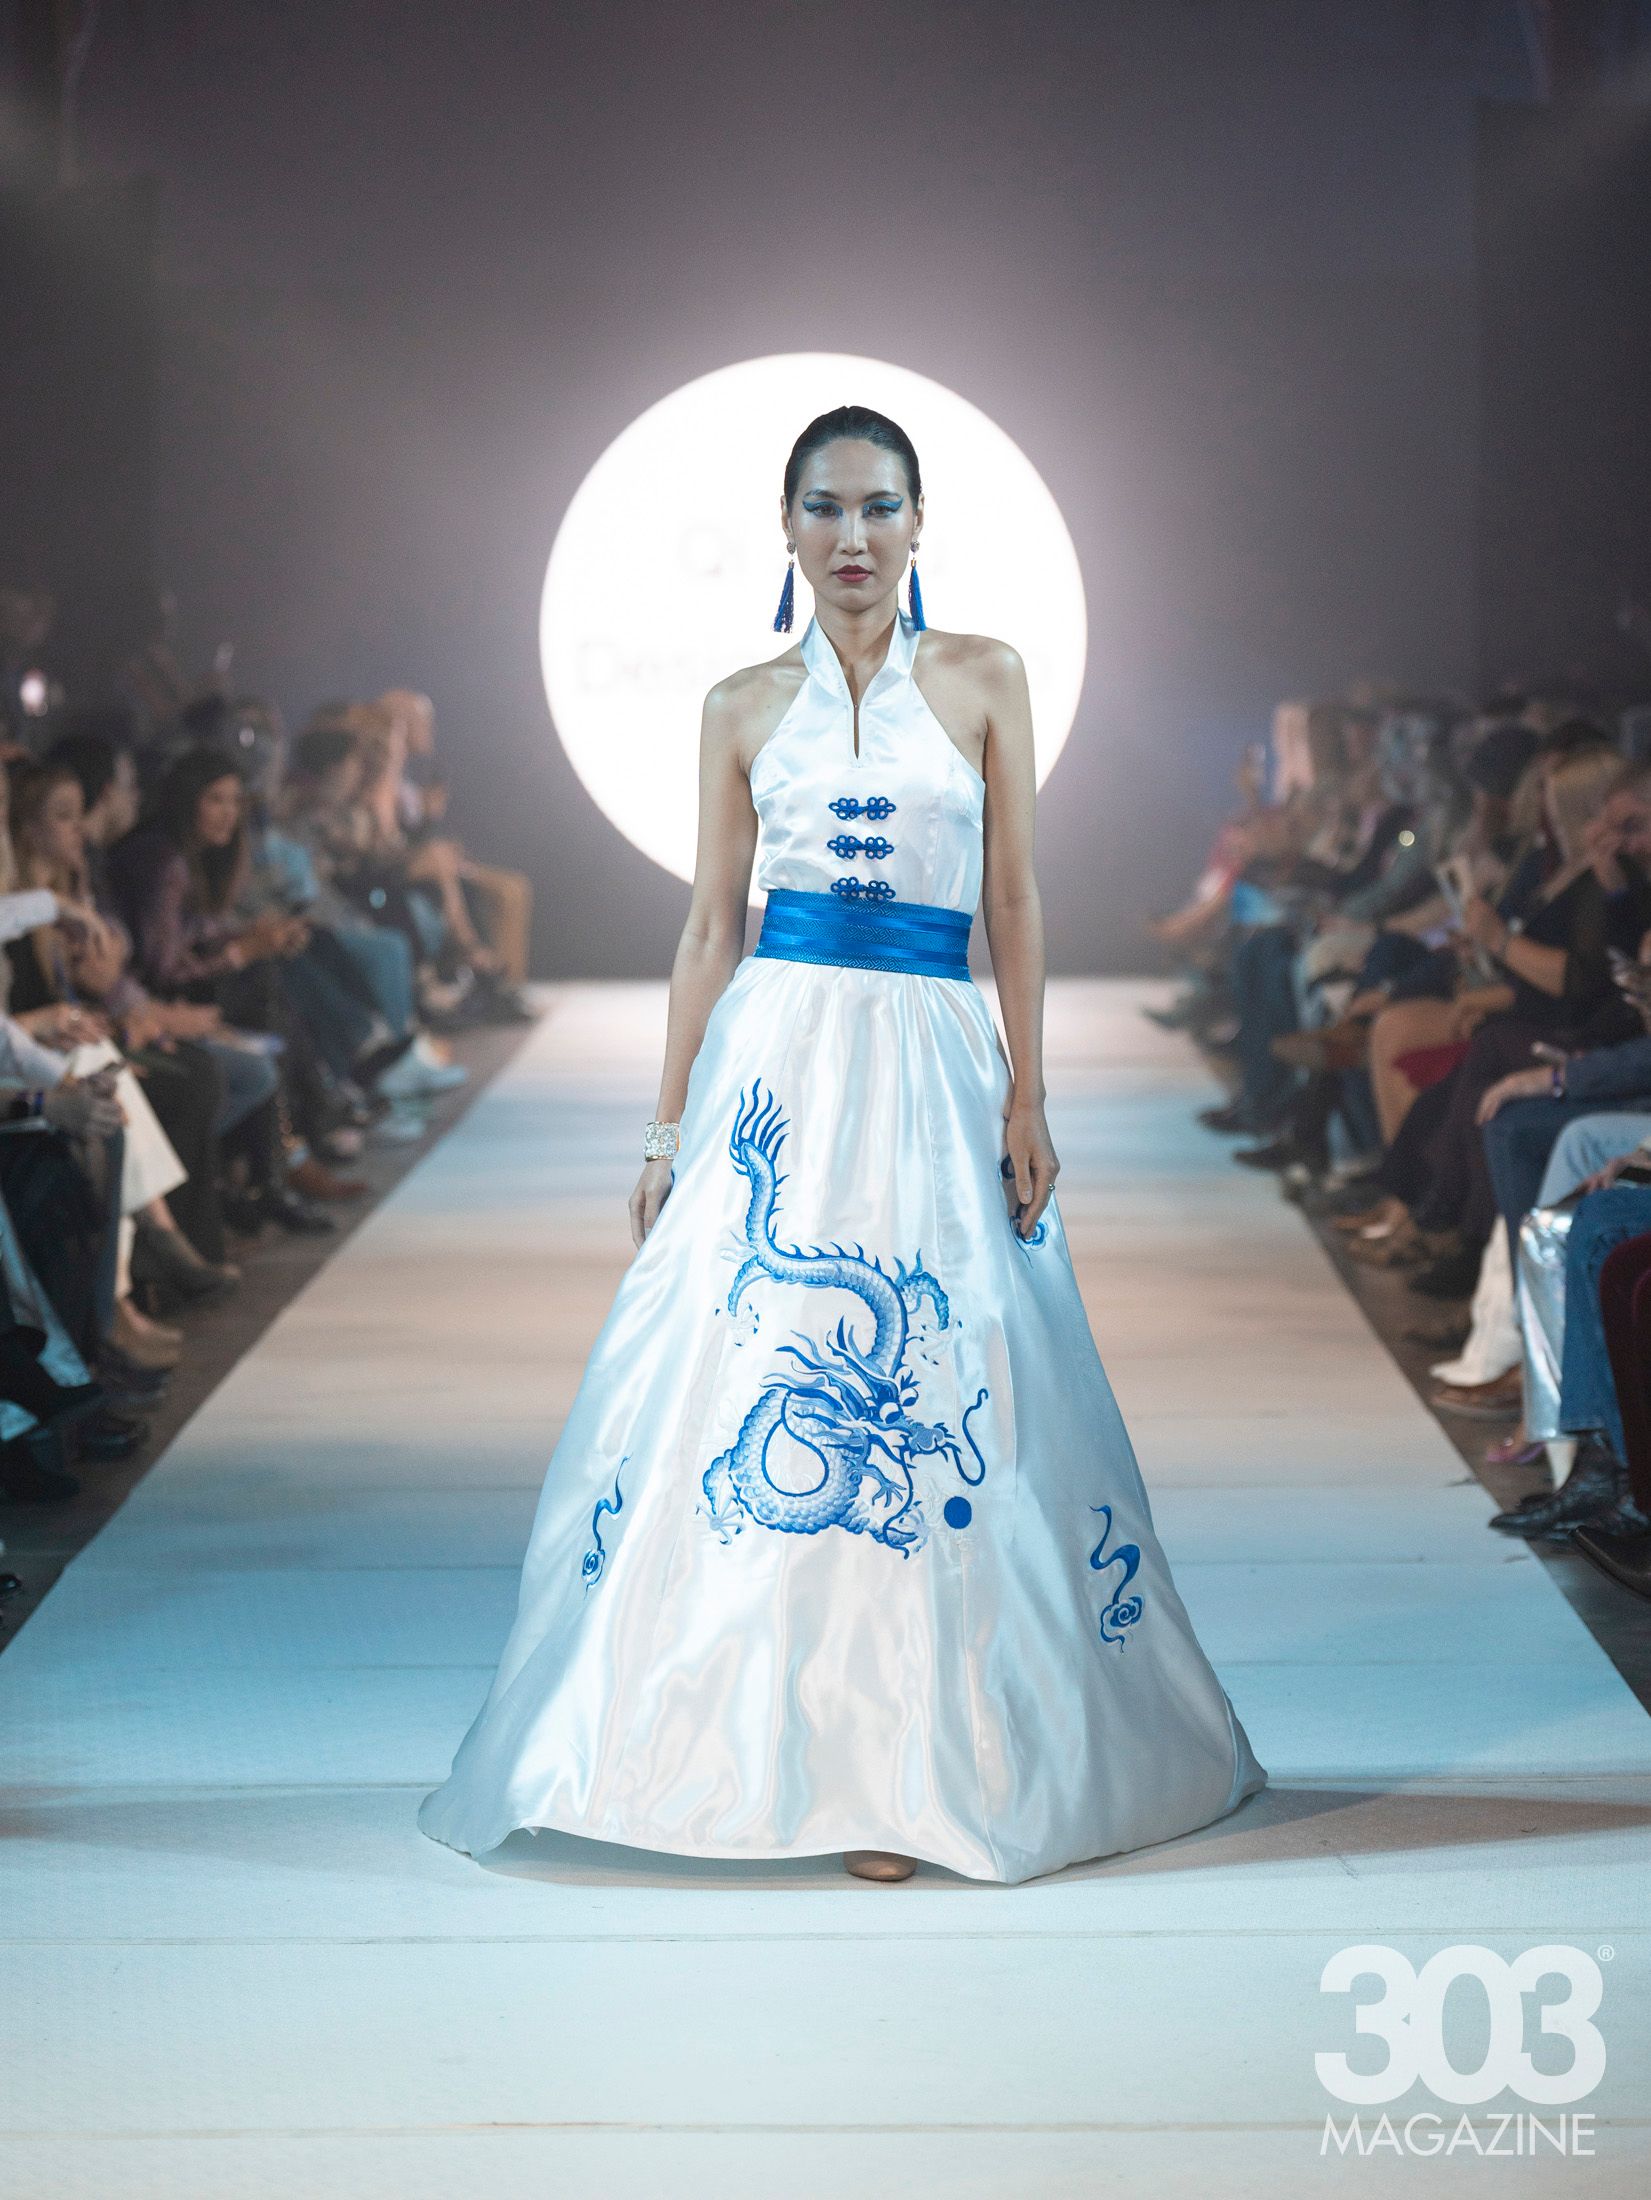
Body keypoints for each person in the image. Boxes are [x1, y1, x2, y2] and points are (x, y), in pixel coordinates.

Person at [419, 404, 1266, 1885]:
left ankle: (921, 1764)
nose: (853, 535)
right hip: (780, 1064)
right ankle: (760, 1752)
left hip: (935, 1059)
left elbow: (1015, 900)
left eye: (880, 507)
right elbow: (708, 925)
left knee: (950, 1370)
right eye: (825, 507)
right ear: (787, 528)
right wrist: (668, 1124)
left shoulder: (986, 676)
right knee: (743, 1366)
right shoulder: (741, 703)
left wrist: (1030, 1093)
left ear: (922, 524)